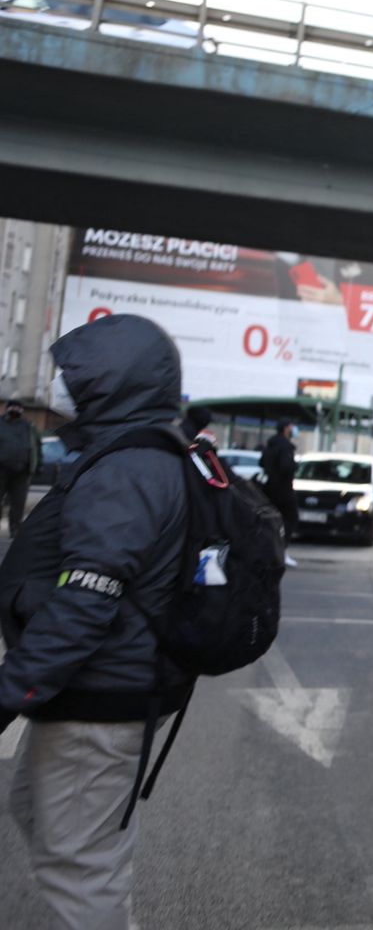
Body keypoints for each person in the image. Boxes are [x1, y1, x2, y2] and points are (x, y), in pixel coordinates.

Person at [0, 314, 195, 930]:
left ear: (114, 383)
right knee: (44, 819)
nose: (60, 387)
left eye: (74, 376)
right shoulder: (132, 454)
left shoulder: (127, 469)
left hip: (99, 695)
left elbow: (86, 601)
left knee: (80, 867)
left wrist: (11, 692)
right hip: (96, 691)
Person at [1, 397, 42, 536]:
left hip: (22, 472)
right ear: (7, 408)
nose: (16, 410)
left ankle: (15, 529)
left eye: (19, 408)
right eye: (13, 408)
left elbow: (37, 446)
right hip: (2, 470)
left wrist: (38, 465)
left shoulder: (28, 426)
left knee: (18, 503)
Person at [259, 418, 298, 537]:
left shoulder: (271, 444)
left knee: (271, 519)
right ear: (286, 428)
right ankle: (281, 546)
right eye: (292, 426)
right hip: (283, 490)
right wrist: (295, 465)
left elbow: (261, 462)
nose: (294, 430)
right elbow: (286, 467)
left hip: (269, 489)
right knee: (290, 518)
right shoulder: (286, 447)